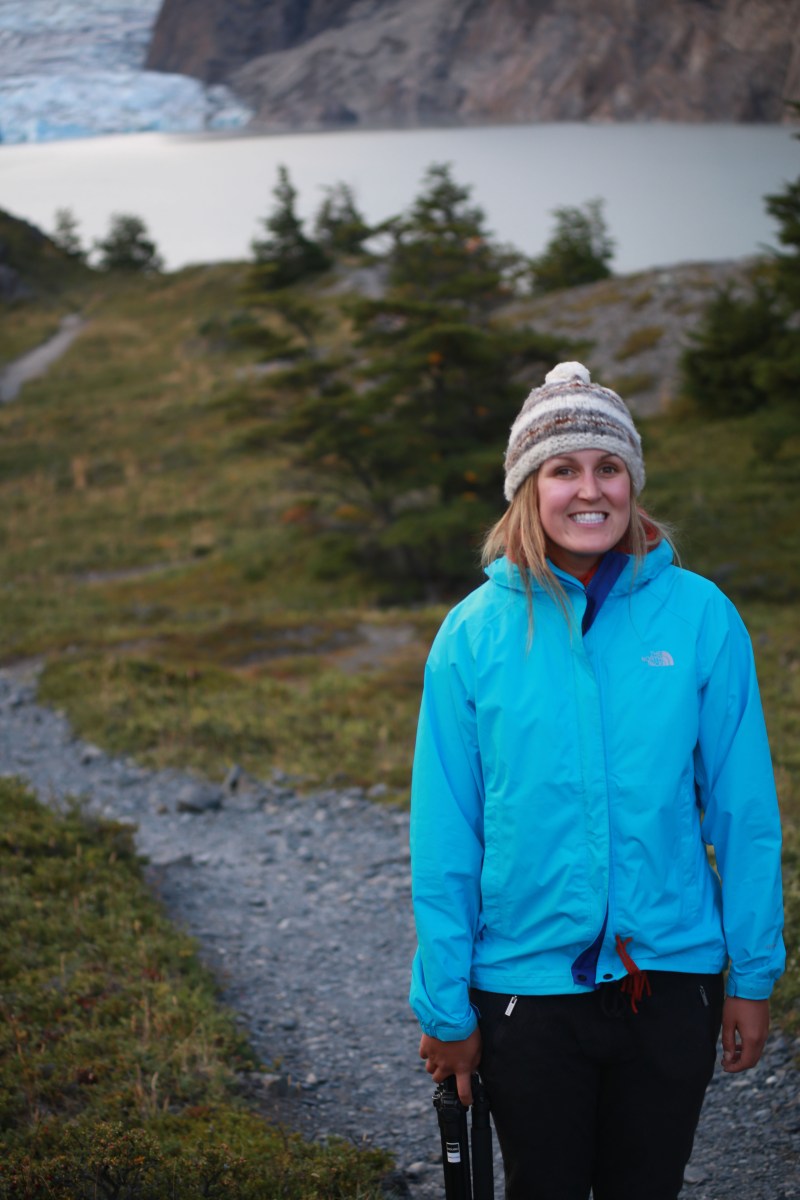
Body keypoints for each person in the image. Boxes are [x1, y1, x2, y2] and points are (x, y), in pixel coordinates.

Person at [408, 362, 785, 1200]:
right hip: (522, 989)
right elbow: (445, 838)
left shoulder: (700, 615)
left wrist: (753, 975)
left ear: (632, 482)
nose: (590, 489)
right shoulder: (472, 635)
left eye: (608, 466)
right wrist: (445, 1007)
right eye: (563, 469)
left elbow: (745, 812)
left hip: (673, 980)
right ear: (527, 489)